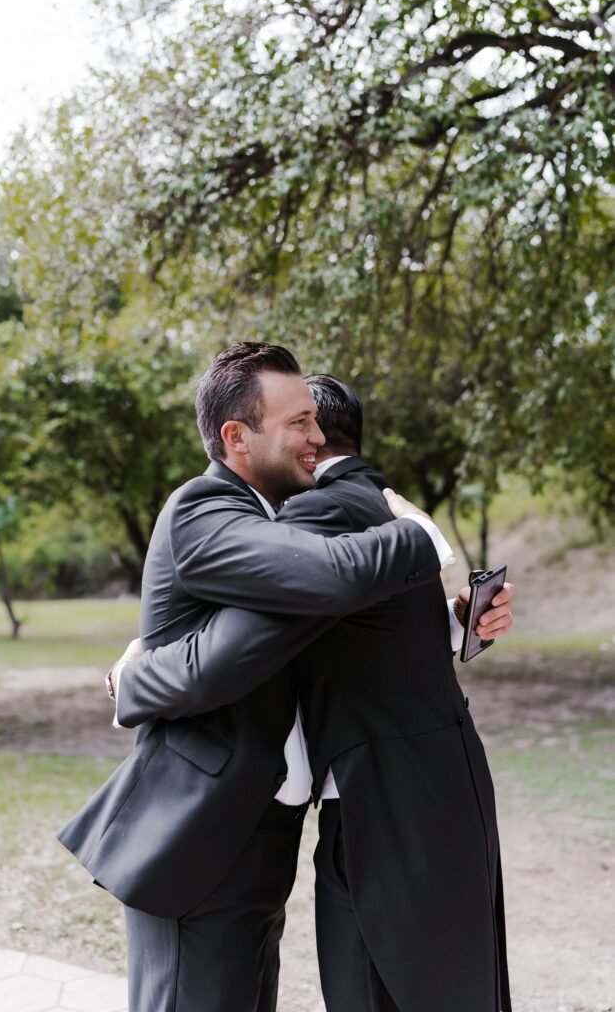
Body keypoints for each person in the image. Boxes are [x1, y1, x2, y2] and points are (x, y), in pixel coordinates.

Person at [58, 342, 463, 1012]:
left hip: (260, 833)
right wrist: (419, 535)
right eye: (299, 422)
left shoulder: (276, 519)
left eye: (315, 420)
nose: (318, 438)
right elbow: (328, 583)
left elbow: (310, 635)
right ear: (236, 437)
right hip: (199, 838)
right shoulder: (202, 509)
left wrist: (454, 625)